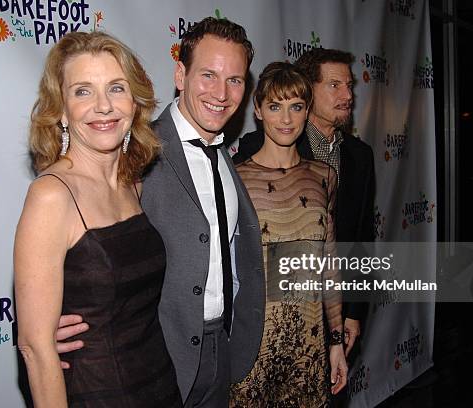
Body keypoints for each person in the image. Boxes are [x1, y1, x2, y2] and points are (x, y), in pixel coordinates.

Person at [54, 18, 265, 407]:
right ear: (181, 75)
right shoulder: (134, 150)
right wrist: (46, 322)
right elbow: (76, 236)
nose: (221, 93)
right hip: (155, 357)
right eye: (208, 75)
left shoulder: (227, 155)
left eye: (235, 80)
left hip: (222, 351)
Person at [14, 31, 182, 407]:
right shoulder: (52, 196)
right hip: (96, 394)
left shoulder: (132, 184)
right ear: (60, 109)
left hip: (159, 384)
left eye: (116, 88)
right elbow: (36, 348)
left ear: (135, 102)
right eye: (83, 91)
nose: (103, 106)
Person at [234, 48, 375, 357]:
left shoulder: (360, 156)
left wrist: (353, 312)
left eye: (349, 85)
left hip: (330, 314)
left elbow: (361, 239)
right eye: (335, 85)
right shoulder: (252, 151)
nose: (347, 94)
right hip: (267, 322)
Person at [230, 62, 347, 407]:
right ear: (258, 110)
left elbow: (330, 265)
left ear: (306, 111)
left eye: (296, 107)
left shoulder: (324, 175)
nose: (285, 119)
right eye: (275, 106)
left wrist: (336, 342)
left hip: (309, 345)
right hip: (253, 347)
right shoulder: (235, 180)